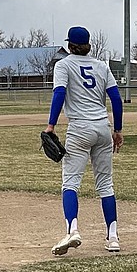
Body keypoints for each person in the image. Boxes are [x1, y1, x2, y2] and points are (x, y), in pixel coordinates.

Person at [45, 26, 124, 255]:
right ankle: (113, 238)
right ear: (89, 45)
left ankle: (73, 230)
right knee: (105, 185)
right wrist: (117, 130)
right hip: (102, 128)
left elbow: (59, 93)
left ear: (70, 44)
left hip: (79, 128)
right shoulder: (101, 66)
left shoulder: (64, 65)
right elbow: (116, 100)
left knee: (70, 183)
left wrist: (51, 125)